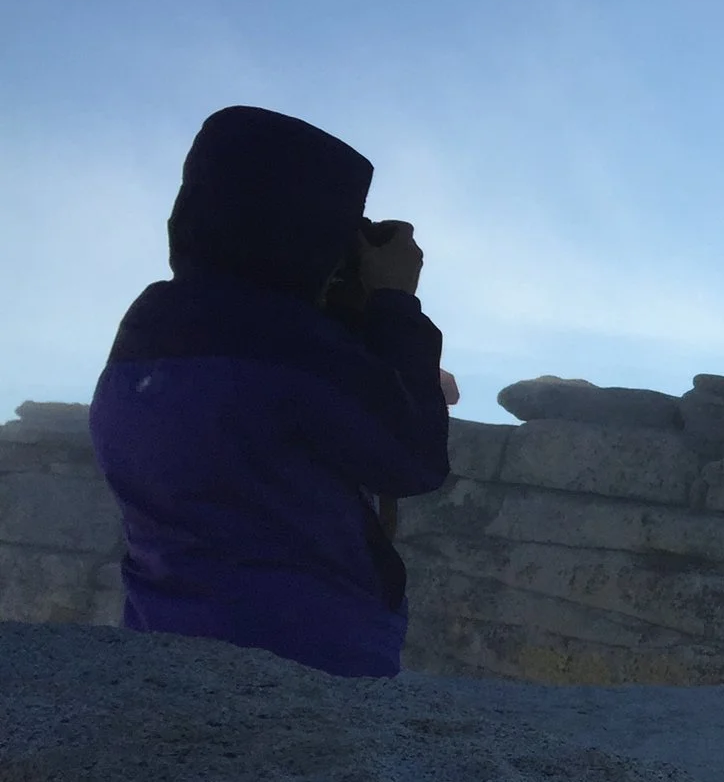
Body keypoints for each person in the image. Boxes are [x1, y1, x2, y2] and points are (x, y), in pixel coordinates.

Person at [89, 105, 455, 678]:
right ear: (302, 224)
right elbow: (413, 460)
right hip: (302, 657)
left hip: (161, 634)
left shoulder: (152, 322)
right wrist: (394, 306)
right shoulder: (290, 343)